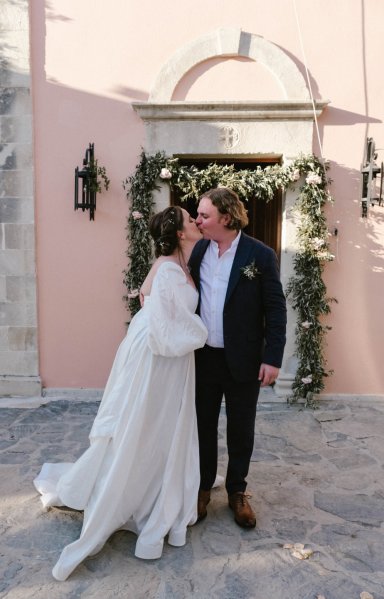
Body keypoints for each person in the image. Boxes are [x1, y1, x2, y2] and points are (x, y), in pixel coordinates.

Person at [33, 206, 208, 581]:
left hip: (169, 360)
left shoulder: (176, 264)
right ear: (179, 233)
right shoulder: (168, 270)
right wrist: (201, 332)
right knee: (145, 426)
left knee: (159, 427)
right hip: (159, 359)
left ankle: (154, 485)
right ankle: (131, 493)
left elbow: (155, 300)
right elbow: (164, 332)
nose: (195, 220)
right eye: (189, 219)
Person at [188, 187, 287, 529]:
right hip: (203, 358)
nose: (197, 220)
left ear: (226, 218)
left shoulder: (259, 255)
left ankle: (237, 492)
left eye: (204, 215)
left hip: (244, 358)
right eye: (198, 215)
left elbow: (275, 309)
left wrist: (272, 358)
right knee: (202, 426)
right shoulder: (199, 250)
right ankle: (202, 489)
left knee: (241, 429)